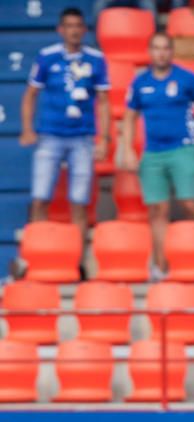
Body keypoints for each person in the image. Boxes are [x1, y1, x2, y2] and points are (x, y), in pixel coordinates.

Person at [121, 33, 194, 279]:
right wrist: (127, 148)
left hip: (184, 148)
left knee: (190, 203)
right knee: (157, 209)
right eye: (156, 48)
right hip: (153, 153)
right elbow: (129, 115)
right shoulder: (140, 83)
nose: (161, 53)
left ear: (171, 51)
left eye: (166, 48)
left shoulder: (186, 78)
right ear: (149, 51)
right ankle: (160, 267)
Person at [20, 7, 109, 275]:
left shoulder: (96, 59)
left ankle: (76, 262)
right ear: (61, 29)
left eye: (78, 26)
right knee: (39, 198)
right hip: (50, 135)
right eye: (68, 25)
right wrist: (27, 129)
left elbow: (104, 101)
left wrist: (103, 138)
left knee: (79, 203)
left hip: (82, 138)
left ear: (84, 29)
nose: (73, 30)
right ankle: (33, 260)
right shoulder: (47, 57)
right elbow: (30, 94)